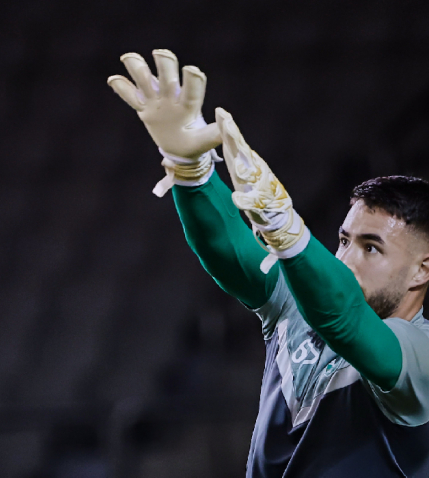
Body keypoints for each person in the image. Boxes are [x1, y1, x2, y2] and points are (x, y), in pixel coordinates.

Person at [108, 49, 429, 477]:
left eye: (371, 248)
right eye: (343, 240)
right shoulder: (301, 307)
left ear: (423, 269)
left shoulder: (421, 353)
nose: (346, 259)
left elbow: (346, 320)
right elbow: (231, 252)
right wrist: (191, 172)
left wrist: (286, 229)